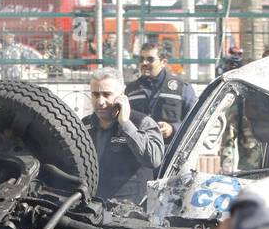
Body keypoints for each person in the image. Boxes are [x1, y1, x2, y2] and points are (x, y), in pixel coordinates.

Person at [84, 68, 164, 203]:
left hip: (132, 212)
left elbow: (154, 159)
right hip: (93, 207)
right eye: (95, 94)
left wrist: (125, 124)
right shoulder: (84, 125)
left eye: (107, 94)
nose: (100, 101)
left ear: (122, 94)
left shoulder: (142, 122)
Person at [126, 40, 196, 144]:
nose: (144, 63)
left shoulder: (182, 88)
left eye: (150, 59)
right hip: (139, 153)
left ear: (163, 62)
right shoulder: (130, 90)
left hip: (170, 152)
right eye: (141, 59)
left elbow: (195, 121)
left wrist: (173, 129)